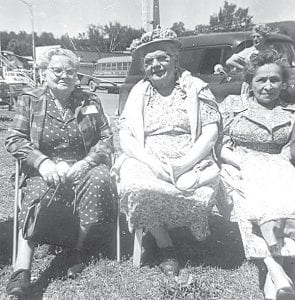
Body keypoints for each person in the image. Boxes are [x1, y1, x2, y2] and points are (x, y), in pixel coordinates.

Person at [5, 48, 116, 298]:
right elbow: (14, 139)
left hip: (82, 165)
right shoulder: (30, 99)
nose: (63, 75)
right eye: (57, 70)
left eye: (70, 71)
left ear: (77, 75)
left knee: (100, 179)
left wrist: (87, 162)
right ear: (45, 73)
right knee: (36, 194)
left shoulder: (90, 101)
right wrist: (42, 163)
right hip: (44, 168)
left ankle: (75, 249)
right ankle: (21, 270)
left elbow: (107, 139)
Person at [113, 28, 221, 276]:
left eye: (162, 58)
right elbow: (125, 136)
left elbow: (210, 133)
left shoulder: (196, 87)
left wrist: (185, 163)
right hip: (148, 156)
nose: (155, 65)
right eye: (148, 61)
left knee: (200, 189)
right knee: (135, 186)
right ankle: (165, 245)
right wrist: (150, 162)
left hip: (191, 156)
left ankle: (193, 229)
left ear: (175, 59)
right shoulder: (138, 92)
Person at [220, 49, 295, 299]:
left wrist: (285, 155)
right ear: (250, 83)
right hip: (237, 165)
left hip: (277, 166)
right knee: (249, 200)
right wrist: (238, 160)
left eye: (274, 80)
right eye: (261, 80)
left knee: (282, 200)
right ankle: (276, 269)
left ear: (284, 83)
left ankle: (275, 272)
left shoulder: (291, 112)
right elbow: (216, 141)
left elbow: (291, 148)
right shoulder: (233, 106)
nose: (268, 86)